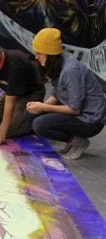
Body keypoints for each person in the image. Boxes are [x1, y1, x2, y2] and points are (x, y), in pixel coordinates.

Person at [26, 28, 106, 160]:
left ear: (50, 54)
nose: (36, 56)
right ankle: (71, 140)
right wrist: (40, 107)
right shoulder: (58, 63)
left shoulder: (70, 70)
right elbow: (57, 92)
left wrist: (44, 108)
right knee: (31, 114)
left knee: (40, 124)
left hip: (90, 121)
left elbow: (75, 109)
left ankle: (78, 141)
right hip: (76, 112)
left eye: (40, 53)